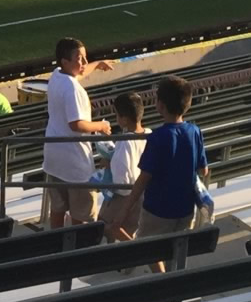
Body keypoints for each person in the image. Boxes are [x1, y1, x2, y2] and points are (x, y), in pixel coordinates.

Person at [128, 78, 208, 271]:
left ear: (160, 105)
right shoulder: (194, 131)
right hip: (185, 208)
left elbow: (144, 178)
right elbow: (204, 170)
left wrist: (125, 208)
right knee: (177, 251)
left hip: (157, 209)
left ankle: (162, 280)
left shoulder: (158, 137)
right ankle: (171, 283)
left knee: (148, 248)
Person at [43, 37, 114, 229]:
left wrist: (97, 64)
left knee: (57, 208)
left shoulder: (57, 75)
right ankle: (78, 250)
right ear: (65, 61)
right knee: (82, 215)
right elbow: (77, 124)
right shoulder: (72, 89)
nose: (83, 63)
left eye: (85, 57)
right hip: (74, 162)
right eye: (79, 58)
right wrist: (101, 126)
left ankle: (55, 247)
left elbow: (78, 73)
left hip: (54, 157)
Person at [98, 91, 145, 242]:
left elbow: (122, 174)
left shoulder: (126, 142)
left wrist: (108, 163)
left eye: (117, 115)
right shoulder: (148, 134)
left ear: (123, 119)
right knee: (127, 228)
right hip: (141, 192)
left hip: (123, 195)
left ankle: (133, 250)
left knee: (106, 226)